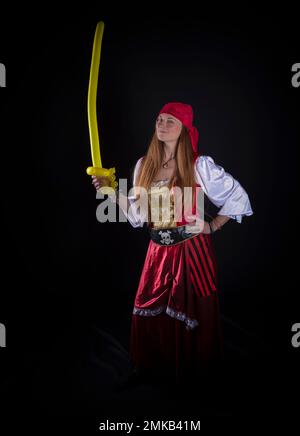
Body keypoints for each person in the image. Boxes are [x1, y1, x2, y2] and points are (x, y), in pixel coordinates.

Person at [92, 102, 254, 387]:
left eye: (170, 121)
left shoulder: (198, 164)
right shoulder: (146, 165)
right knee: (149, 306)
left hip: (191, 253)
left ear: (184, 130)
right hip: (157, 253)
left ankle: (192, 375)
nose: (162, 124)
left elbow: (237, 195)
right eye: (159, 119)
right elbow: (137, 215)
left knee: (190, 310)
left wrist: (213, 225)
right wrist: (109, 190)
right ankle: (151, 366)